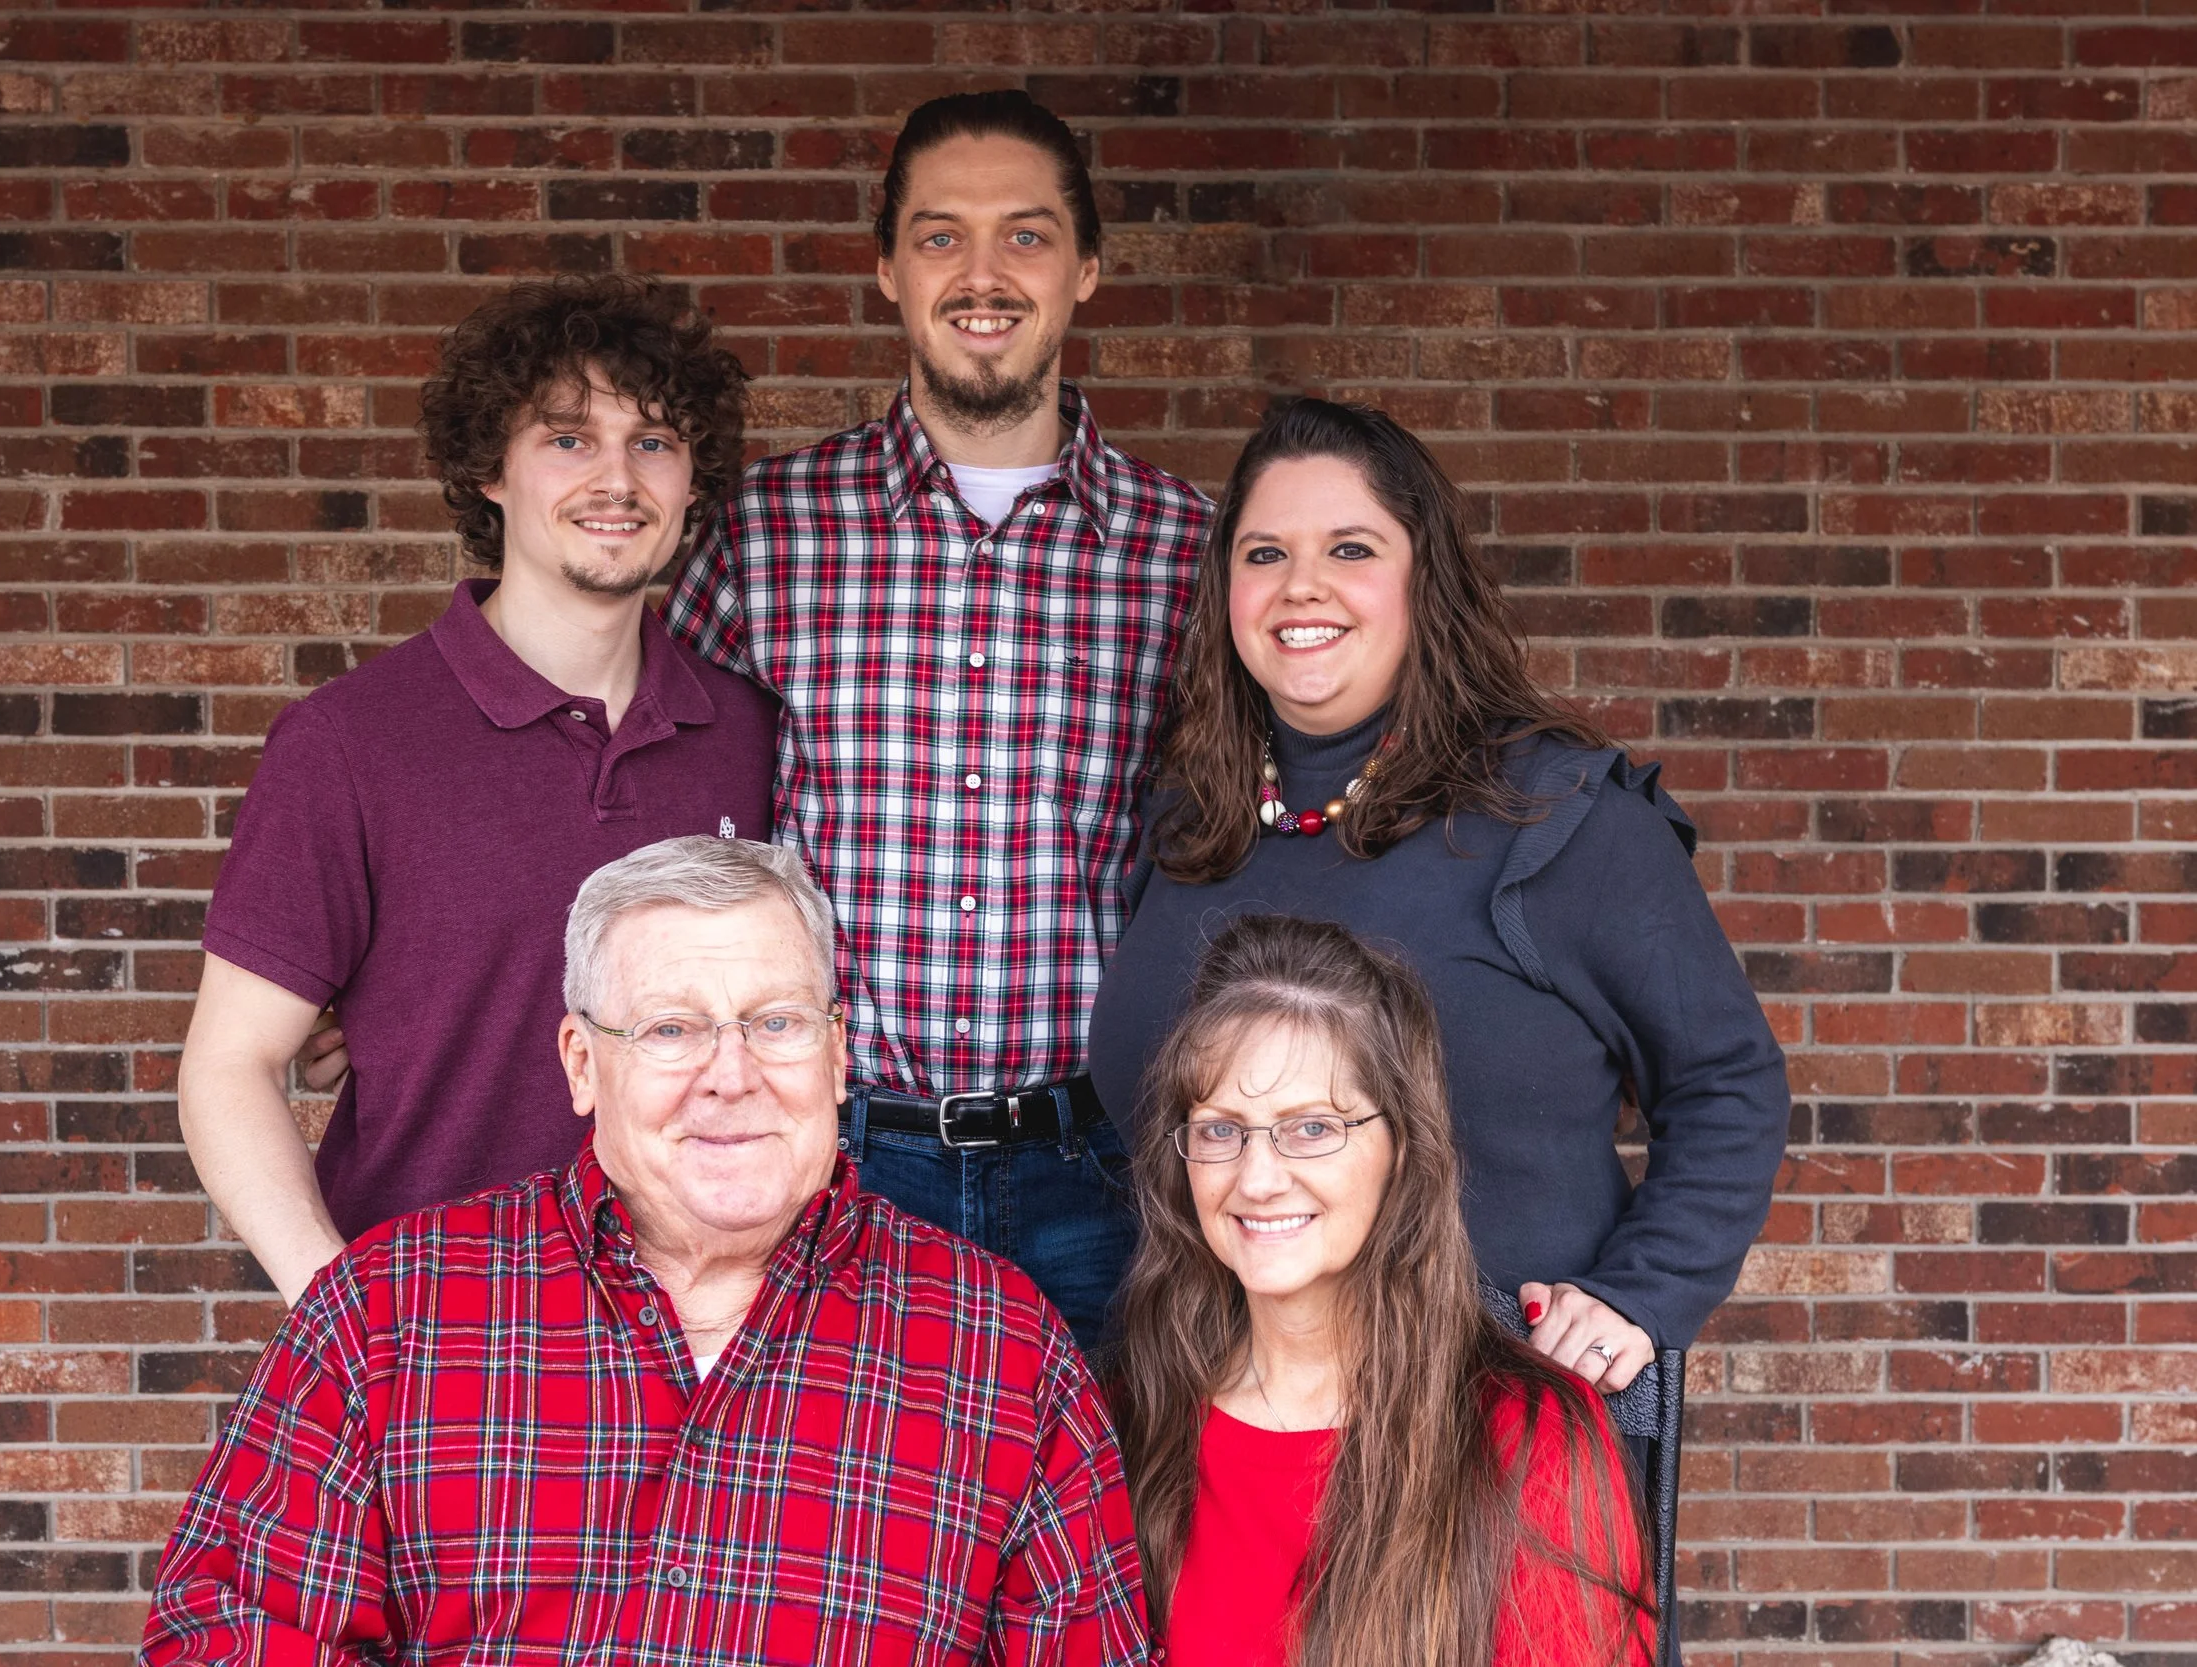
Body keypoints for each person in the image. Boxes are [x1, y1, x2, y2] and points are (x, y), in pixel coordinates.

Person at [142, 837, 1152, 1667]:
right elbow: (228, 1636)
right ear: (582, 1062)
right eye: (672, 1028)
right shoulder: (386, 1312)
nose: (732, 1074)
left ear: (840, 1055)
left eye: (778, 1022)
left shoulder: (1001, 1349)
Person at [1089, 397, 1790, 1390]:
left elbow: (1726, 1078)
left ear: (1427, 578)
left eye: (1350, 549)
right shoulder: (1185, 822)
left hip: (1483, 1435)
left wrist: (1646, 1288)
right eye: (1263, 554)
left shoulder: (1554, 818)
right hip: (1213, 1420)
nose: (1301, 587)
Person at [666, 90, 1211, 1348]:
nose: (982, 274)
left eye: (1024, 236)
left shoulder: (1185, 550)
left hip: (1105, 1168)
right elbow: (636, 796)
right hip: (840, 1164)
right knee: (834, 1540)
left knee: (1104, 1531)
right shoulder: (768, 530)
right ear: (886, 270)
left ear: (1085, 268)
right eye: (938, 236)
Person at [177, 278, 776, 1301]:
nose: (616, 478)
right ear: (489, 473)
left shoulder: (746, 737)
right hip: (437, 1342)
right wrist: (344, 1324)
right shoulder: (351, 741)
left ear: (690, 484)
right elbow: (227, 1070)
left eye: (653, 442)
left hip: (700, 1340)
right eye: (568, 439)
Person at [1107, 913, 1654, 1667]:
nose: (1258, 1179)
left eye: (1311, 1128)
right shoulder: (1127, 1417)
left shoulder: (1526, 1438)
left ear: (1402, 1149)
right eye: (1221, 1129)